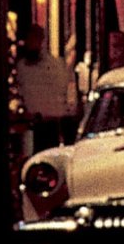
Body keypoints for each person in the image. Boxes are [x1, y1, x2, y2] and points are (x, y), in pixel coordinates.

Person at [14, 21, 77, 157]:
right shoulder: (21, 68)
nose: (33, 42)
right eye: (30, 38)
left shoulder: (54, 66)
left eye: (36, 38)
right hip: (31, 124)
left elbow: (62, 91)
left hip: (49, 123)